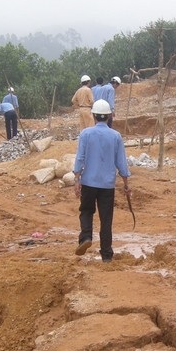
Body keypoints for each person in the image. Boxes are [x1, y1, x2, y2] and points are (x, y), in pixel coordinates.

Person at [72, 99, 131, 263]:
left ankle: (85, 237)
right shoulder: (116, 136)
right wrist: (126, 184)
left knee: (86, 211)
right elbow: (122, 164)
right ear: (109, 116)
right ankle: (106, 255)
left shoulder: (86, 134)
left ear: (94, 116)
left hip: (89, 183)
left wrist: (77, 179)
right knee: (106, 220)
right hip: (107, 186)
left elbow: (80, 159)